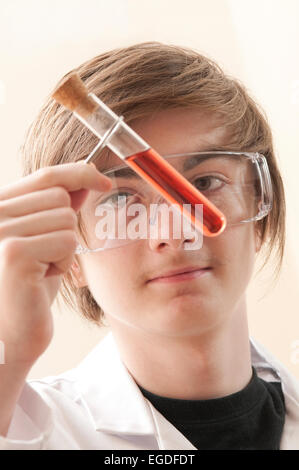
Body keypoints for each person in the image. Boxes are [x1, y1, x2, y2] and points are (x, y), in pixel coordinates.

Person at [0, 42, 298, 450]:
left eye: (206, 183)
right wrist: (7, 351)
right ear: (69, 256)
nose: (175, 232)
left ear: (262, 209)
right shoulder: (26, 431)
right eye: (120, 200)